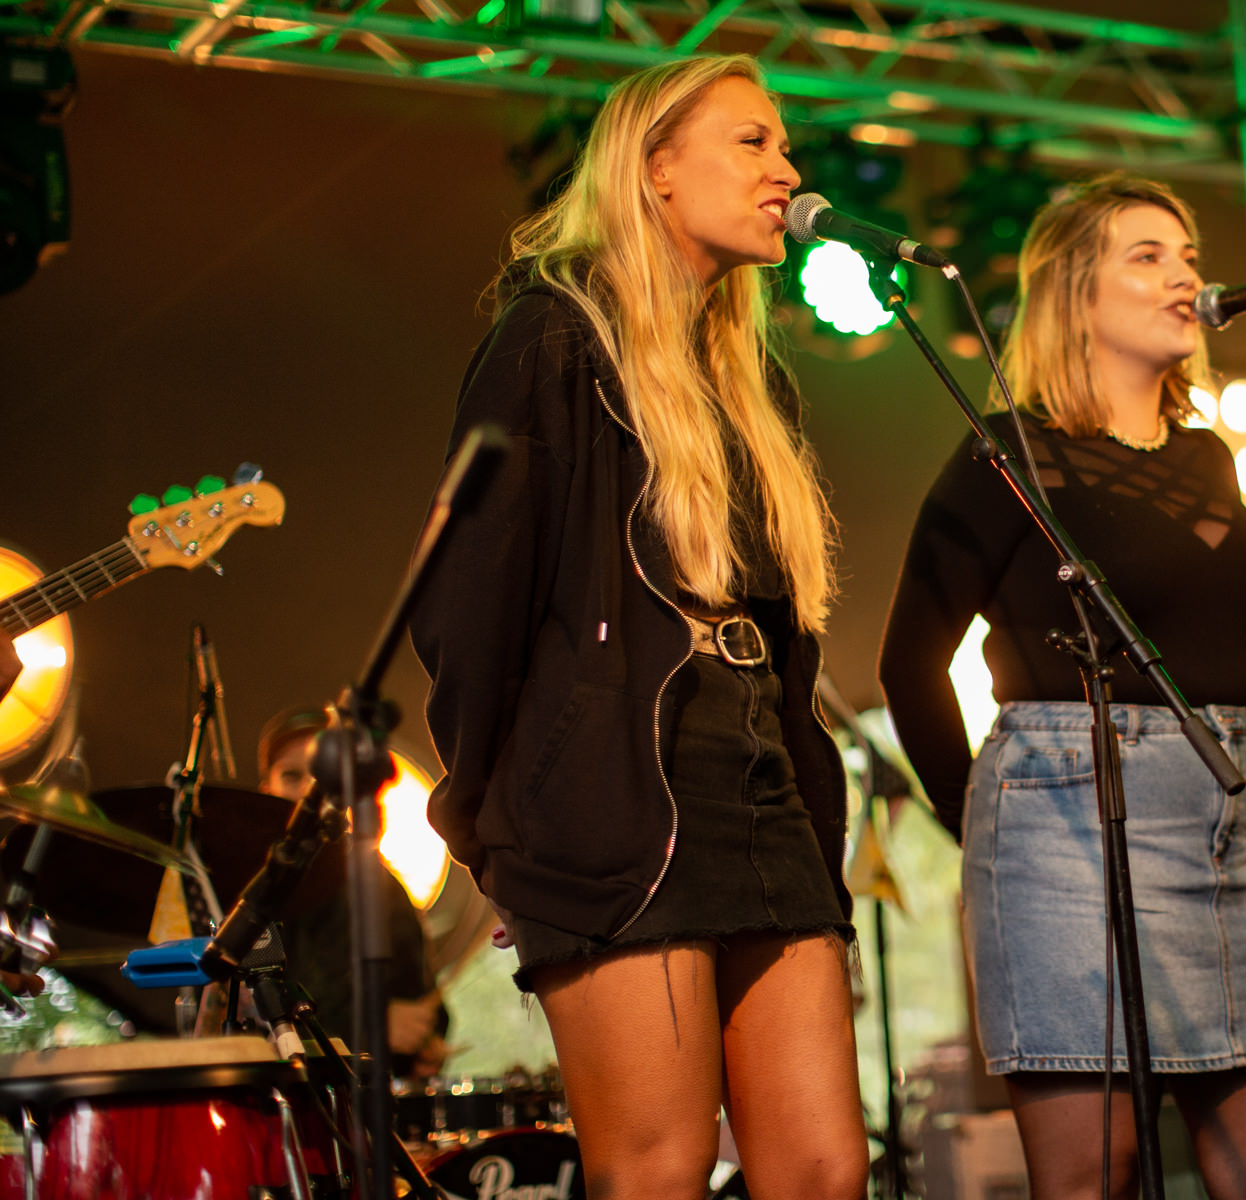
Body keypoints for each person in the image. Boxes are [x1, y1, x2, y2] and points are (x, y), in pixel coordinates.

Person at [409, 54, 866, 1200]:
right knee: (658, 1164)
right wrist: (495, 827)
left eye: (785, 145)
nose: (786, 170)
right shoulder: (550, 340)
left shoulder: (748, 380)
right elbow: (470, 605)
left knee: (822, 1168)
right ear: (656, 168)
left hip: (758, 776)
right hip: (610, 791)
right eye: (753, 142)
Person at [880, 173, 1246, 1200]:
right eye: (1147, 255)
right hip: (1061, 822)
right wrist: (982, 824)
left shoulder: (1209, 458)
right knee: (1099, 1172)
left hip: (1230, 817)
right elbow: (908, 662)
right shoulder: (1007, 453)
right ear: (1074, 292)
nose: (1184, 275)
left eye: (1188, 256)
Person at [254, 707, 445, 1076]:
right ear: (266, 791)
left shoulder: (381, 885)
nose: (308, 790)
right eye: (292, 776)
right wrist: (374, 1027)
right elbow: (251, 1016)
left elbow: (426, 1001)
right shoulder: (246, 891)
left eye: (321, 776)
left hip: (365, 1093)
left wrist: (427, 1038)